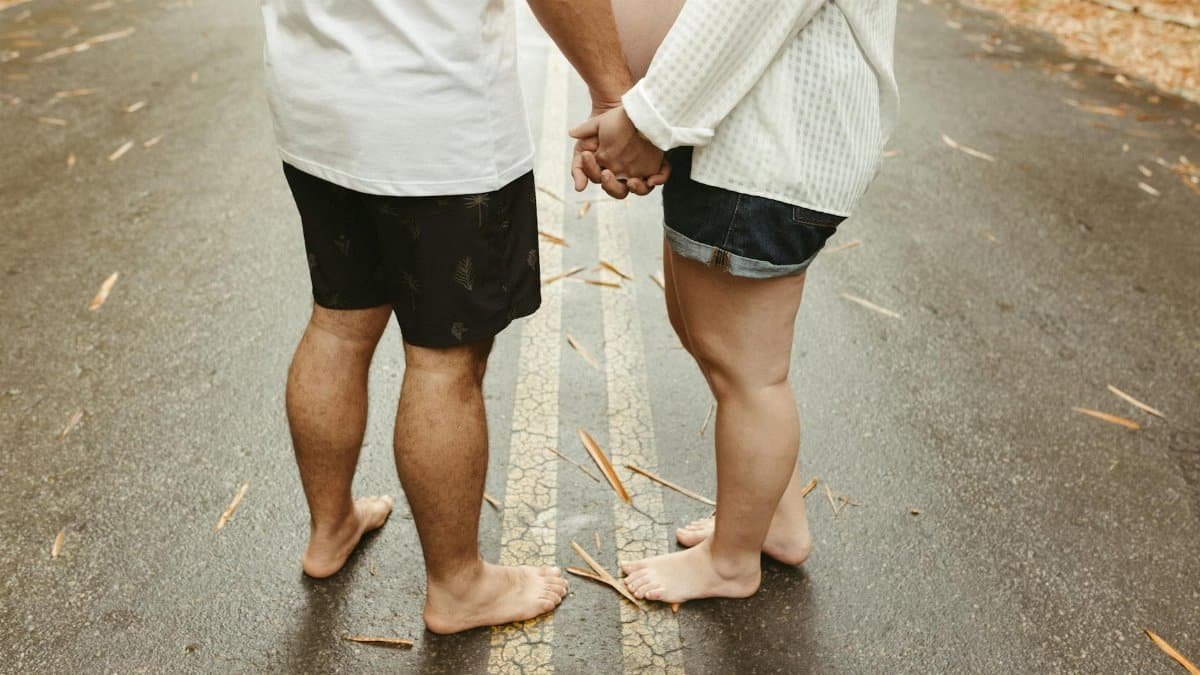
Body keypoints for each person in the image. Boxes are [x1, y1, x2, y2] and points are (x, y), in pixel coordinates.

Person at [259, 0, 639, 634]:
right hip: (433, 114)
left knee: (338, 321)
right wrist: (612, 94)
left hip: (313, 100)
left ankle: (330, 530)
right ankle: (460, 586)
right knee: (444, 360)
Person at [570, 0, 899, 605]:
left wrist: (644, 119)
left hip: (761, 152)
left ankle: (731, 563)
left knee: (750, 375)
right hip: (736, 136)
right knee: (711, 340)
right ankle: (770, 519)